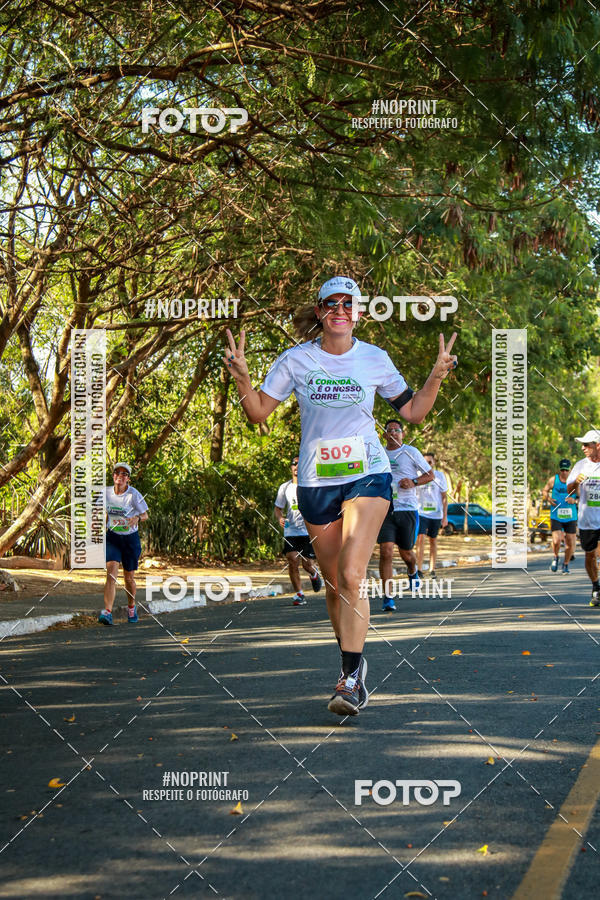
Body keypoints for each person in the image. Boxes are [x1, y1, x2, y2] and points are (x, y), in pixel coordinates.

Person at [224, 274, 457, 716]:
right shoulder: (295, 360)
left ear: (359, 313)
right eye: (331, 303)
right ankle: (353, 663)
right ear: (319, 311)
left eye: (348, 304)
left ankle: (350, 680)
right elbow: (257, 412)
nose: (340, 310)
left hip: (368, 475)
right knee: (334, 584)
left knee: (351, 574)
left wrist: (436, 375)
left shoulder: (374, 358)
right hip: (316, 483)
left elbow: (413, 411)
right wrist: (243, 379)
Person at [377, 421, 434, 611]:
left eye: (397, 430)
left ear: (402, 434)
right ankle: (388, 597)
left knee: (406, 553)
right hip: (385, 508)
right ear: (385, 435)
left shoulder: (411, 451)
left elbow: (430, 475)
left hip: (407, 509)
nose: (393, 433)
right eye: (390, 430)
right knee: (386, 551)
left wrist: (413, 481)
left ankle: (412, 570)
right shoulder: (379, 452)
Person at [98, 463, 149, 626]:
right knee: (111, 573)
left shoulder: (133, 494)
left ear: (128, 479)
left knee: (129, 578)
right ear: (113, 475)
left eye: (124, 474)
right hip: (112, 538)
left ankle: (131, 607)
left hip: (130, 539)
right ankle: (107, 612)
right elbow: (102, 512)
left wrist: (137, 518)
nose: (120, 475)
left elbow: (145, 515)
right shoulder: (106, 493)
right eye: (117, 472)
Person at [274, 456, 322, 605]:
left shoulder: (310, 486)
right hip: (291, 531)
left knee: (307, 564)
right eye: (294, 464)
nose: (296, 466)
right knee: (292, 559)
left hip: (308, 531)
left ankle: (314, 574)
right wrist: (280, 518)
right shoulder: (285, 487)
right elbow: (278, 508)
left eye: (300, 464)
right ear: (291, 467)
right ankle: (299, 594)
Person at [566, 431, 600, 606]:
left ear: (598, 445)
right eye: (582, 445)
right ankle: (596, 587)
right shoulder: (580, 465)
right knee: (590, 556)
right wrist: (576, 482)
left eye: (587, 445)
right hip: (587, 519)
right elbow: (569, 490)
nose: (583, 448)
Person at [541, 457, 578, 574]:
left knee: (570, 543)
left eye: (566, 470)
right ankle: (555, 557)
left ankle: (565, 564)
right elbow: (544, 490)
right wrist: (548, 498)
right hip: (556, 515)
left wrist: (574, 500)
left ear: (570, 470)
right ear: (559, 470)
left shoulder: (574, 481)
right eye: (562, 470)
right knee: (556, 541)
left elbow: (581, 496)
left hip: (571, 517)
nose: (564, 472)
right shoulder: (554, 480)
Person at [415, 452, 448, 577]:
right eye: (425, 462)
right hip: (421, 512)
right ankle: (419, 569)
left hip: (436, 514)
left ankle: (432, 569)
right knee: (420, 538)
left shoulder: (440, 476)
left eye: (429, 462)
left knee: (433, 540)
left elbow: (444, 497)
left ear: (434, 463)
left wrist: (445, 517)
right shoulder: (417, 475)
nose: (427, 464)